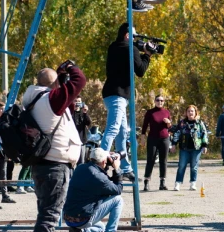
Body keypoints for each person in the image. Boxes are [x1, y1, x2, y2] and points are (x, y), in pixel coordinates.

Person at [23, 61, 85, 232]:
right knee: (49, 215)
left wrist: (60, 77)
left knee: (46, 212)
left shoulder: (38, 100)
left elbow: (66, 107)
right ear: (54, 84)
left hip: (46, 165)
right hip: (54, 167)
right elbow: (80, 82)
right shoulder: (50, 99)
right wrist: (72, 68)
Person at [100, 23, 153, 181]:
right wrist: (147, 55)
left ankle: (125, 168)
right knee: (113, 129)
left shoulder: (113, 47)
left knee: (122, 132)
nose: (136, 40)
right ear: (127, 36)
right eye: (135, 37)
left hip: (113, 94)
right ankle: (98, 164)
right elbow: (141, 70)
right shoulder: (130, 49)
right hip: (118, 95)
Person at [63, 148, 124, 232]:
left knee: (100, 228)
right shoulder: (98, 177)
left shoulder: (80, 168)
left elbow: (103, 182)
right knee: (118, 200)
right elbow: (118, 190)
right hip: (82, 219)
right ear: (104, 161)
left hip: (68, 217)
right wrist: (117, 169)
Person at [171, 105, 208, 191]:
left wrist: (204, 145)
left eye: (192, 111)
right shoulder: (182, 123)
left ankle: (193, 183)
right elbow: (177, 133)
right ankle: (178, 183)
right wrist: (173, 144)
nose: (190, 113)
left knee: (194, 166)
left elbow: (204, 134)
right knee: (181, 166)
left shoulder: (199, 123)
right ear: (186, 113)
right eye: (188, 111)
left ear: (195, 113)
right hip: (184, 148)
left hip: (196, 148)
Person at [141, 95, 172, 191]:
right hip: (153, 139)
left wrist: (168, 123)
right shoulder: (150, 112)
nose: (160, 102)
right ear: (154, 101)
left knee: (163, 161)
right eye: (158, 100)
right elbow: (145, 125)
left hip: (165, 139)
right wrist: (142, 137)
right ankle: (146, 182)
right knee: (150, 160)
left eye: (162, 100)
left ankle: (162, 183)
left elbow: (170, 127)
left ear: (164, 102)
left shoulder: (166, 112)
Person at [0, 101, 16, 203]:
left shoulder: (5, 120)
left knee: (3, 173)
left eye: (3, 109)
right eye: (0, 108)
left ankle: (5, 195)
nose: (2, 111)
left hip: (3, 150)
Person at [71, 96, 92, 165]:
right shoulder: (70, 112)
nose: (77, 103)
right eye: (76, 101)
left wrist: (85, 112)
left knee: (81, 162)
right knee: (70, 161)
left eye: (79, 102)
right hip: (71, 141)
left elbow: (88, 123)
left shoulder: (83, 113)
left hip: (81, 141)